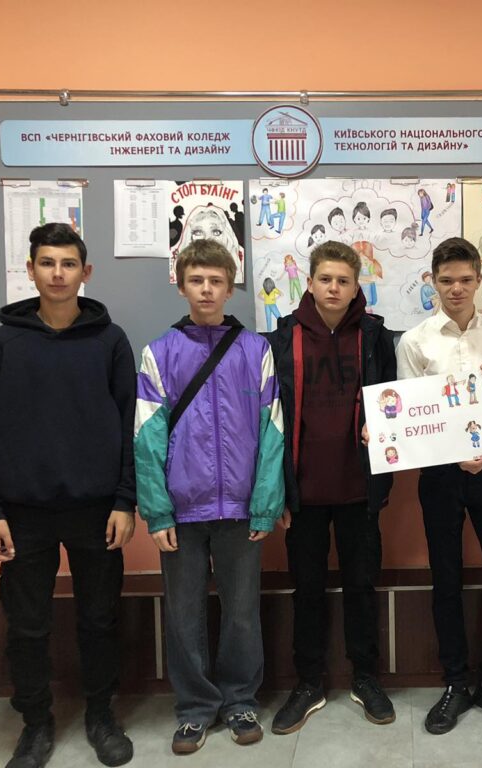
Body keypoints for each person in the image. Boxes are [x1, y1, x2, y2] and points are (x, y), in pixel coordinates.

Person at [0, 223, 136, 768]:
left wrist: (125, 500)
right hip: (23, 513)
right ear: (31, 269)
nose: (58, 274)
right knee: (27, 626)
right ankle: (36, 724)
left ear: (86, 272)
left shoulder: (110, 342)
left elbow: (129, 426)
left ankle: (101, 716)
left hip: (96, 509)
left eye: (68, 264)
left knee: (99, 620)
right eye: (47, 263)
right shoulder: (4, 343)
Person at [134, 239, 286, 754]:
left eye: (216, 281)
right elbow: (147, 437)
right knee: (184, 615)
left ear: (230, 286)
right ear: (181, 286)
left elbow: (272, 432)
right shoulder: (159, 353)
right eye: (196, 280)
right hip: (182, 509)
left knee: (242, 610)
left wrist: (265, 503)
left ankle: (240, 699)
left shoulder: (256, 351)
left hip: (242, 509)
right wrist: (157, 512)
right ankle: (195, 708)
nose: (206, 290)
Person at [267, 240, 398, 734]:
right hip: (302, 492)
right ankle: (309, 682)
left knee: (362, 586)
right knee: (308, 590)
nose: (334, 288)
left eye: (344, 280)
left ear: (356, 286)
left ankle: (365, 676)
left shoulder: (375, 336)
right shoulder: (283, 338)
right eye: (325, 279)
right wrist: (276, 491)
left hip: (359, 489)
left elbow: (396, 402)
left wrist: (382, 428)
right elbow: (269, 418)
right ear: (309, 282)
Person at [396, 237, 482, 735]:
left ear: (479, 280)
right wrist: (449, 453)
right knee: (445, 579)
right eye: (447, 280)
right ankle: (455, 683)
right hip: (441, 472)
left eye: (465, 280)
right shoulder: (414, 341)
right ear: (433, 282)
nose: (456, 288)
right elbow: (410, 419)